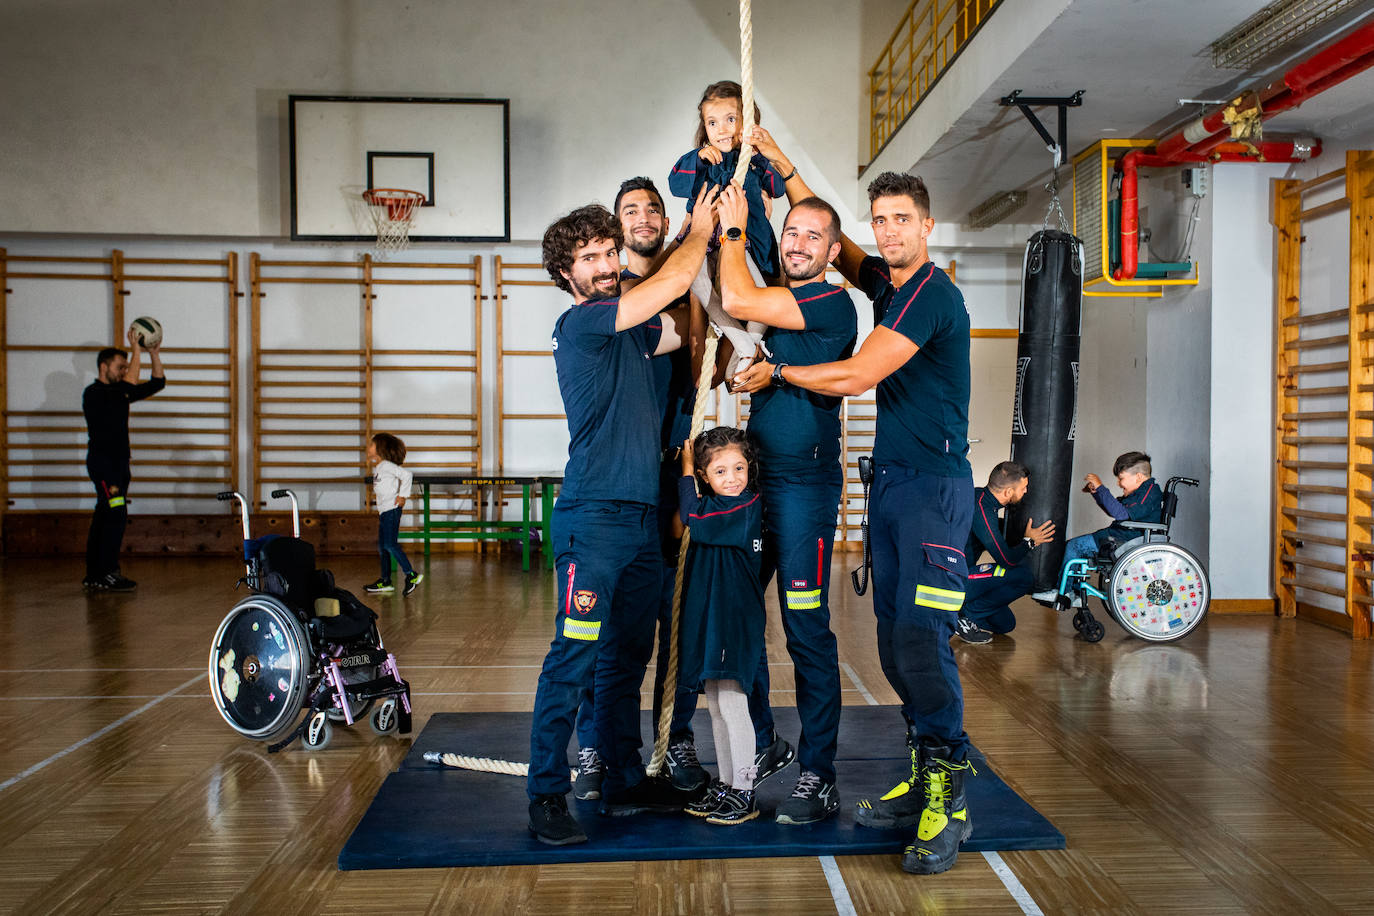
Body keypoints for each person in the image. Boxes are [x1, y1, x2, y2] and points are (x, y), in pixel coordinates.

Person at [734, 128, 975, 875]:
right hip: (895, 488)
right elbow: (830, 239)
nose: (891, 231)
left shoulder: (930, 294)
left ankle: (950, 795)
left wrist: (777, 371)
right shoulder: (889, 284)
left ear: (927, 226)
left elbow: (852, 376)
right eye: (883, 219)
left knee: (920, 645)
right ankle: (923, 768)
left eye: (904, 218)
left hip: (934, 491)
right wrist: (776, 162)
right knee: (895, 644)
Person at [526, 184, 716, 847]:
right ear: (565, 274)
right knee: (573, 659)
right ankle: (547, 794)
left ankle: (624, 774)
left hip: (640, 521)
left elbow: (688, 323)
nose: (606, 264)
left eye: (610, 252)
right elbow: (671, 286)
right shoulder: (582, 325)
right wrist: (699, 228)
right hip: (593, 519)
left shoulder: (632, 332)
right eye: (591, 257)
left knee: (627, 659)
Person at [572, 177, 724, 802]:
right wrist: (699, 233)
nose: (643, 217)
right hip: (618, 483)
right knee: (600, 625)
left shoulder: (685, 291)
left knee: (676, 614)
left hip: (674, 472)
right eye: (629, 210)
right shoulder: (611, 308)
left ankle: (675, 733)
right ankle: (593, 745)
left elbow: (699, 354)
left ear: (664, 220)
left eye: (652, 207)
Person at [717, 184, 857, 824]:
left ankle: (819, 774)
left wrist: (733, 229)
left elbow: (736, 294)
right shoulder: (780, 309)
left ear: (831, 252)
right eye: (792, 233)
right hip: (756, 485)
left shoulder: (829, 302)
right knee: (735, 617)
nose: (798, 244)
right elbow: (734, 312)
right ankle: (767, 739)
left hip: (804, 490)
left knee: (804, 629)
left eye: (812, 236)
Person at [675, 427, 766, 825]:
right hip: (712, 618)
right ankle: (729, 784)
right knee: (714, 703)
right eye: (720, 471)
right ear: (706, 478)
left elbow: (692, 516)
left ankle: (745, 788)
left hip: (733, 618)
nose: (732, 478)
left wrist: (685, 469)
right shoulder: (719, 503)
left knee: (731, 701)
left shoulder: (744, 506)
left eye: (739, 468)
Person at [668, 80, 787, 283]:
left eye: (730, 119)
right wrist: (698, 158)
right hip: (706, 240)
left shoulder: (754, 163)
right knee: (698, 281)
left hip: (745, 240)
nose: (721, 130)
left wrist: (758, 156)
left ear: (748, 122)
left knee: (749, 281)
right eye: (712, 123)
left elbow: (779, 188)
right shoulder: (703, 161)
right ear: (705, 128)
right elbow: (675, 185)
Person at [82, 329, 165, 592]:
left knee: (105, 514)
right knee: (116, 513)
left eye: (125, 367)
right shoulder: (94, 392)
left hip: (119, 464)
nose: (124, 370)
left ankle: (95, 573)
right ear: (103, 366)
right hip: (103, 464)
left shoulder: (120, 392)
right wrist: (136, 349)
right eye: (120, 366)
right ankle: (107, 572)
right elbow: (129, 384)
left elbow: (157, 382)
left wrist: (153, 353)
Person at [1033, 451, 1163, 607]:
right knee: (1072, 546)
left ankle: (1064, 593)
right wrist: (1097, 493)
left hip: (1125, 541)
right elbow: (1114, 510)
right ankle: (1073, 592)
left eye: (1121, 479)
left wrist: (1101, 487)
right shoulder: (1142, 492)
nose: (1119, 484)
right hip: (1120, 537)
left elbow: (1120, 513)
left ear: (1139, 477)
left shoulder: (1149, 493)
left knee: (1073, 546)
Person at [957, 461, 1055, 644]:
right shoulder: (982, 511)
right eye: (1023, 488)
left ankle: (958, 612)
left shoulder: (983, 498)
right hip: (954, 579)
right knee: (1024, 576)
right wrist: (1030, 542)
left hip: (966, 574)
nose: (1026, 491)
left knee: (1005, 624)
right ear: (1008, 492)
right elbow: (1006, 561)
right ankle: (963, 617)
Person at [364, 432, 422, 596]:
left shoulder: (387, 466)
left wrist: (403, 495)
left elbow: (407, 475)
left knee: (390, 545)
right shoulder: (380, 467)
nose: (368, 448)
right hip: (384, 511)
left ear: (380, 448)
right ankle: (385, 581)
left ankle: (411, 575)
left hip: (391, 510)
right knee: (383, 547)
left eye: (371, 445)